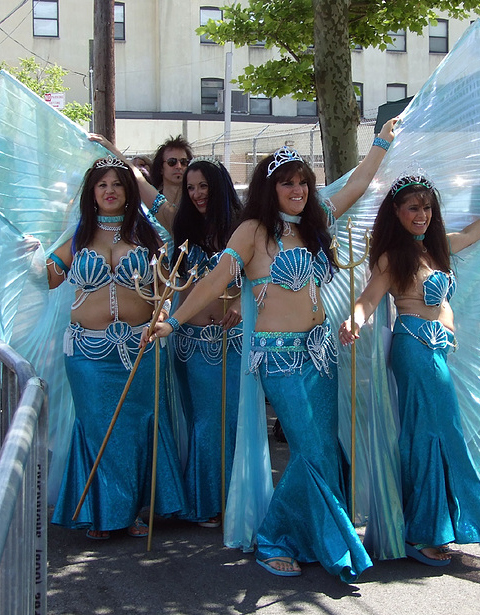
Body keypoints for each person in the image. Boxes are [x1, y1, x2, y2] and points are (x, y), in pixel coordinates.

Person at [145, 118, 398, 581]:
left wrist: (382, 140)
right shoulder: (251, 233)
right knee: (311, 448)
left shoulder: (317, 220)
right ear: (271, 187)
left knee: (321, 446)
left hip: (321, 354)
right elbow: (214, 280)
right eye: (288, 182)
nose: (298, 189)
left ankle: (307, 536)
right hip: (277, 358)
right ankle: (275, 537)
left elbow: (360, 183)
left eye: (303, 181)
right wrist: (173, 320)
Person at [338, 173, 480, 566]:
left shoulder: (437, 250)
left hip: (435, 351)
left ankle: (430, 527)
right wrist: (354, 321)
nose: (422, 214)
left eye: (427, 207)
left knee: (434, 434)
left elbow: (473, 232)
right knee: (434, 435)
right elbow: (368, 298)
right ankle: (424, 532)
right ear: (397, 213)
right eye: (413, 208)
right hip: (414, 350)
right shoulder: (391, 257)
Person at [49, 156, 187, 539]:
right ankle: (102, 511)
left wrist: (165, 317)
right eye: (102, 185)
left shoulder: (148, 235)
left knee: (135, 427)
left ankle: (129, 510)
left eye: (118, 184)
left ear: (129, 192)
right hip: (87, 355)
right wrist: (28, 256)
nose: (110, 191)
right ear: (92, 193)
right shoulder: (77, 236)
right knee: (97, 428)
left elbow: (169, 287)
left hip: (139, 348)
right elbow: (47, 279)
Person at [168, 157, 243, 528]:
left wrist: (244, 302)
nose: (196, 194)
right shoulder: (182, 228)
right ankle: (208, 500)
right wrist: (115, 157)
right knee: (206, 420)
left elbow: (268, 275)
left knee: (227, 421)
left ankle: (228, 497)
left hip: (232, 343)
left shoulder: (245, 230)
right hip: (189, 343)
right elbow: (149, 196)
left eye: (203, 186)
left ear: (219, 188)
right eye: (190, 187)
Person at [148, 135, 193, 230]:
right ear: (161, 168)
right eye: (172, 162)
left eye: (183, 162)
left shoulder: (195, 201)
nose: (179, 166)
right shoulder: (149, 202)